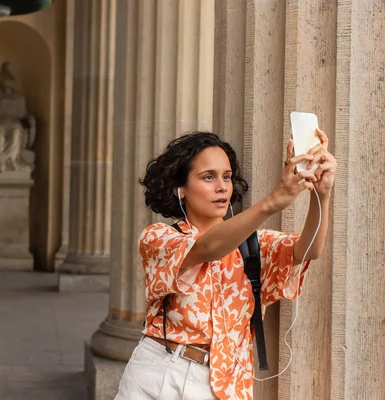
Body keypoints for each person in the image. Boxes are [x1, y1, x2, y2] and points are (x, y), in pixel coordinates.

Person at [115, 131, 337, 399]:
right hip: (160, 373)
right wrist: (271, 202)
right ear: (180, 188)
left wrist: (321, 195)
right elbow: (207, 248)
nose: (222, 186)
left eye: (227, 177)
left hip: (221, 384)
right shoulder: (159, 238)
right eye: (208, 177)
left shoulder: (253, 246)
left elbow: (309, 249)